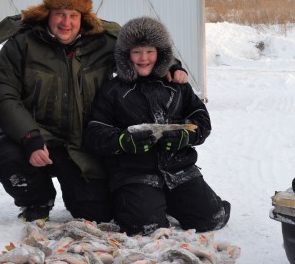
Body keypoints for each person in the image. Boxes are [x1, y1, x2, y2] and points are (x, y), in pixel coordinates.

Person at [0, 0, 188, 222]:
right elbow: (2, 91)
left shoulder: (105, 39)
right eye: (59, 14)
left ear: (83, 16)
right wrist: (29, 136)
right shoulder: (22, 44)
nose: (66, 22)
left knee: (96, 214)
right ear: (47, 14)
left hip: (84, 144)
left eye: (73, 15)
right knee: (7, 155)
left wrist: (172, 65)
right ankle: (36, 201)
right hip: (39, 136)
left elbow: (144, 47)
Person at [83, 16, 230, 235]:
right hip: (134, 173)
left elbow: (201, 119)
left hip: (179, 169)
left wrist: (187, 136)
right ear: (125, 55)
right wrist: (124, 141)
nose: (143, 58)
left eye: (150, 51)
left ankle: (171, 201)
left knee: (212, 220)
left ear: (160, 53)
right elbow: (95, 132)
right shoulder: (112, 90)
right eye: (136, 52)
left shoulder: (177, 84)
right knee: (146, 229)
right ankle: (134, 204)